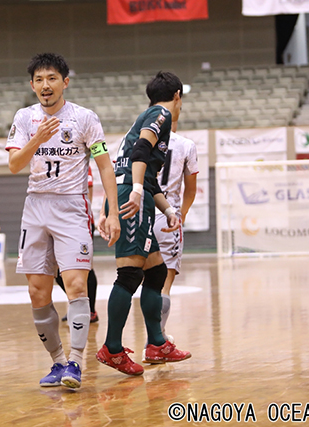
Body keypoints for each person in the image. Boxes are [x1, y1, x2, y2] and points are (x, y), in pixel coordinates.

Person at [6, 53, 120, 389]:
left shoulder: (84, 118)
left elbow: (104, 166)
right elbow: (14, 165)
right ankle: (57, 362)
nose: (46, 85)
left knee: (76, 286)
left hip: (72, 207)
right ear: (32, 85)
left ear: (65, 82)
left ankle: (76, 362)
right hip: (35, 207)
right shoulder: (24, 118)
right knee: (37, 292)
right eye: (39, 80)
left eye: (52, 78)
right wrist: (37, 139)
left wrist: (112, 212)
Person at [96, 71, 191, 377]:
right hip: (132, 196)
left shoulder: (146, 116)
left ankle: (157, 344)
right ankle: (112, 349)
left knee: (157, 270)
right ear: (177, 95)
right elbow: (138, 154)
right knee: (129, 274)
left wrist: (168, 209)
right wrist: (136, 191)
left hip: (135, 193)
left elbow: (144, 174)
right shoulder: (161, 114)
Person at [143, 119, 198, 362]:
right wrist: (180, 215)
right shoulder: (185, 144)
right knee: (163, 285)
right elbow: (191, 190)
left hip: (141, 212)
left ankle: (154, 338)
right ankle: (155, 342)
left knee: (143, 282)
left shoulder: (137, 137)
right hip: (166, 215)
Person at [57, 167, 99, 323]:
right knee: (56, 270)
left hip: (79, 222)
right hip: (57, 222)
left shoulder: (81, 163)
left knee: (85, 267)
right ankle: (77, 304)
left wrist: (83, 216)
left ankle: (91, 310)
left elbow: (89, 191)